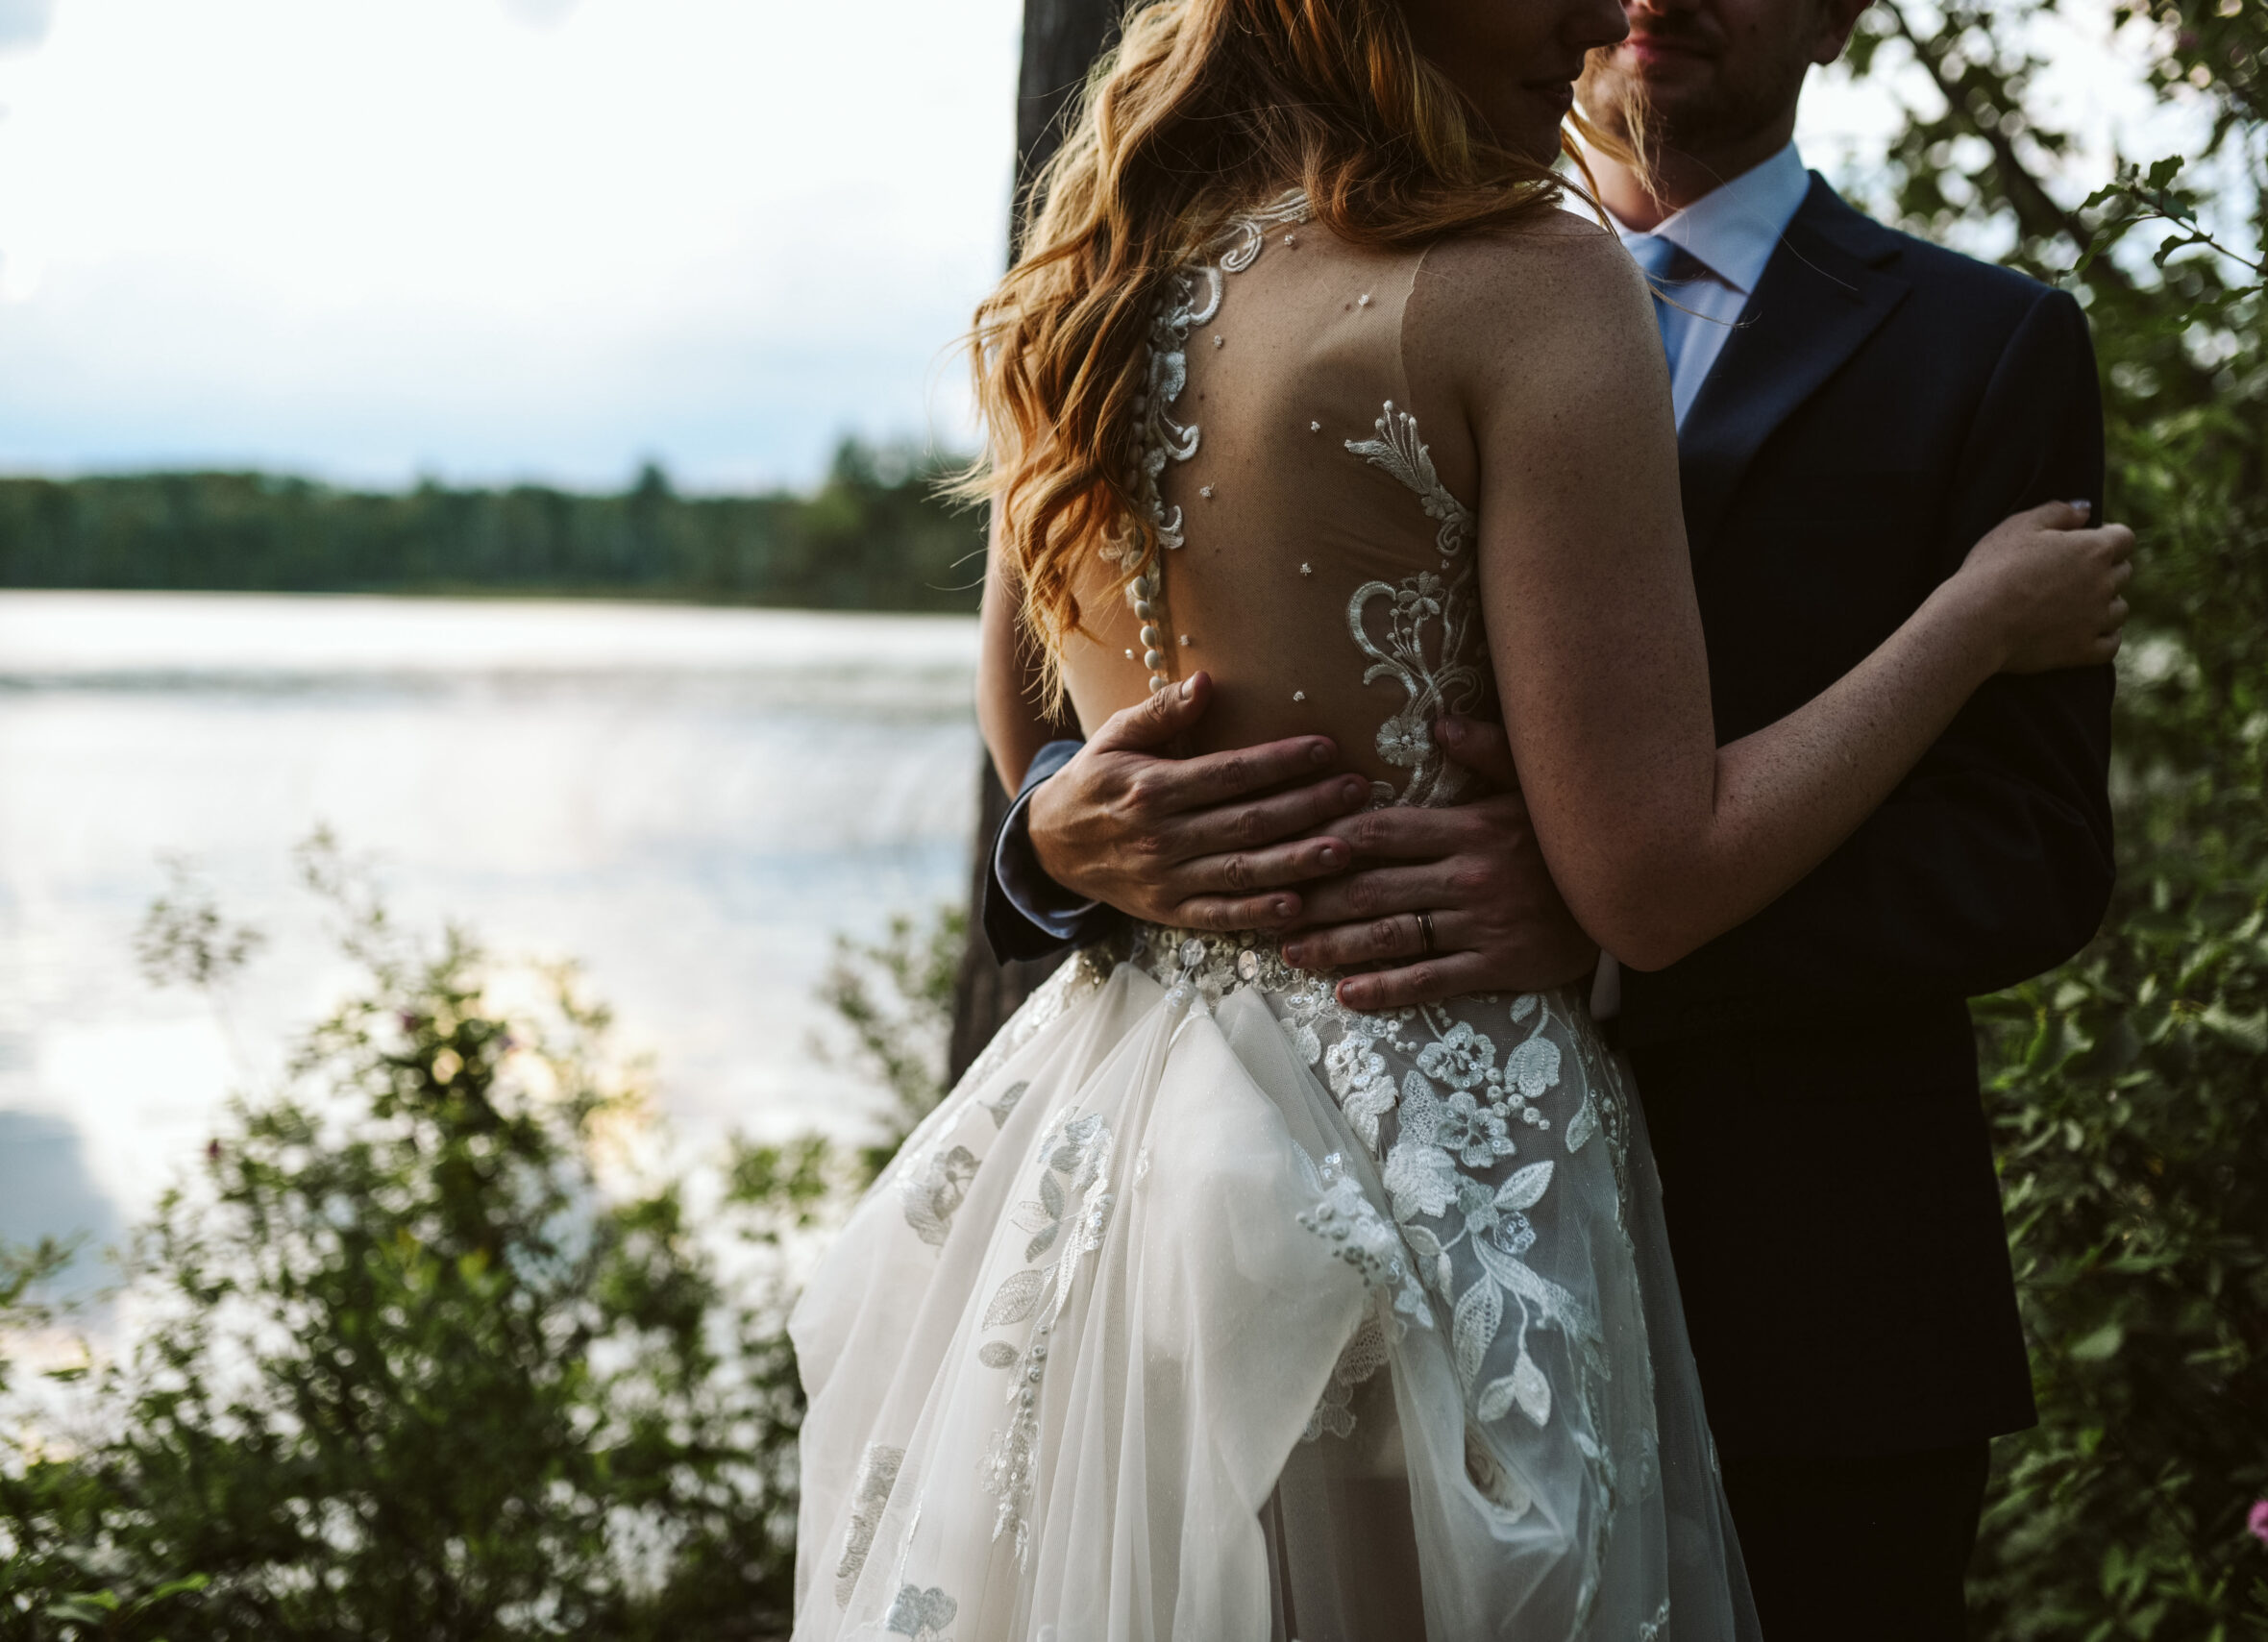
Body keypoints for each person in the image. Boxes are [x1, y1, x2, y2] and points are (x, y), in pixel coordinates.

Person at [797, 0, 2131, 1636]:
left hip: (1798, 1290)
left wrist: (1603, 926)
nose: (1615, 6)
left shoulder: (1089, 279)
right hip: (1405, 1213)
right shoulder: (1531, 277)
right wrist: (1061, 841)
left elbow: (2038, 847)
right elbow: (1067, 779)